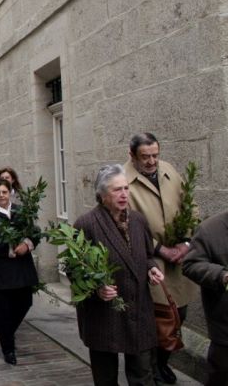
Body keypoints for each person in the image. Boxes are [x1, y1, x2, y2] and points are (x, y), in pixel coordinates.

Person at [74, 164, 165, 385]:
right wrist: (97, 289)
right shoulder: (86, 224)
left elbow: (146, 254)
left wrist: (151, 268)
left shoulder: (138, 220)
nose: (124, 194)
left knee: (142, 374)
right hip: (104, 312)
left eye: (126, 188)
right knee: (105, 376)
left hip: (138, 307)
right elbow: (75, 270)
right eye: (117, 190)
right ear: (102, 195)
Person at [124, 132, 198, 384]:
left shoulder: (168, 170)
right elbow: (124, 226)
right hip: (149, 260)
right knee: (159, 319)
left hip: (178, 258)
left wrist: (186, 242)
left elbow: (190, 205)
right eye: (145, 157)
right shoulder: (122, 181)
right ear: (131, 155)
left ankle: (163, 362)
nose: (151, 161)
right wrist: (159, 249)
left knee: (181, 313)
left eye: (155, 155)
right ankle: (153, 368)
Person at [0, 177, 39, 365]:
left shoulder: (21, 211)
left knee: (25, 303)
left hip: (22, 269)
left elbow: (34, 232)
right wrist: (12, 249)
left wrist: (27, 245)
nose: (1, 196)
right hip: (1, 270)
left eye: (4, 192)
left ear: (10, 192)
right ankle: (8, 349)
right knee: (3, 310)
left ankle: (6, 332)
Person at [182, 210, 228, 386]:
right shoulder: (210, 229)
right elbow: (190, 265)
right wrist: (222, 276)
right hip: (224, 324)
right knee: (221, 375)